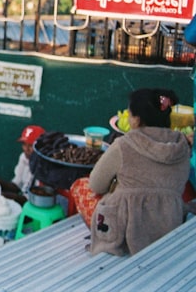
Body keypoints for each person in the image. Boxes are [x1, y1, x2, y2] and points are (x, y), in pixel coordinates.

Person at [69, 88, 191, 256]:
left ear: (137, 120)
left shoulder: (123, 145)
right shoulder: (183, 147)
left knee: (81, 186)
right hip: (167, 226)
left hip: (123, 231)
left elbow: (96, 184)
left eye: (130, 114)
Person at [0, 124, 45, 203]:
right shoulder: (23, 158)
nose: (26, 149)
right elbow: (17, 185)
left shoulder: (43, 166)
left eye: (31, 146)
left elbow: (31, 200)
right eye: (24, 144)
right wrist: (0, 183)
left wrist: (8, 197)